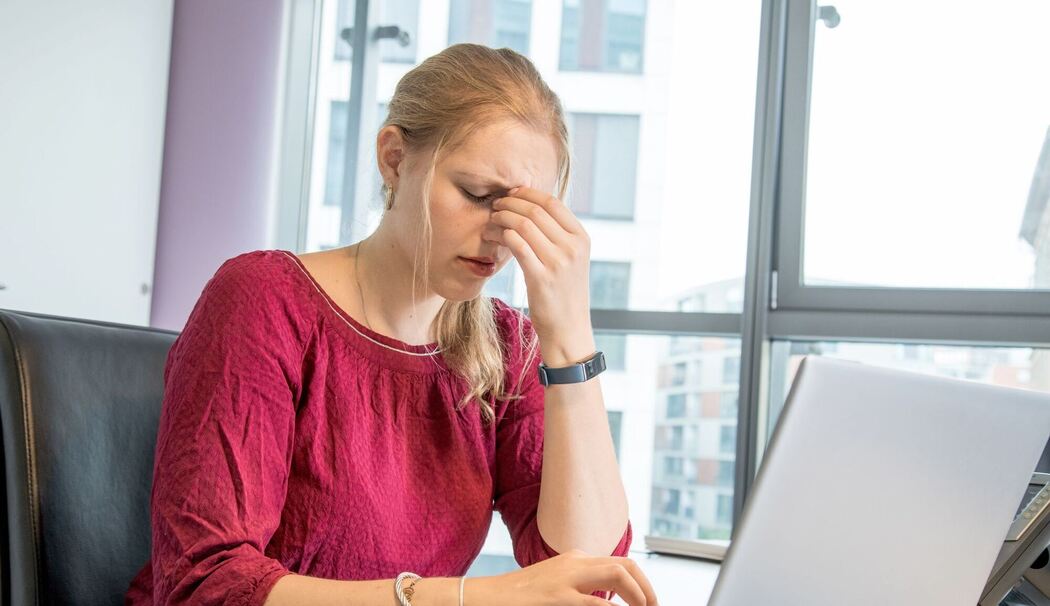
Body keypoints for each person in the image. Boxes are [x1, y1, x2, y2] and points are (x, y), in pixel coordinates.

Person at [125, 43, 658, 606]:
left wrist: (569, 333)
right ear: (395, 158)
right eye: (478, 195)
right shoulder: (263, 301)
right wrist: (464, 598)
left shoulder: (506, 348)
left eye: (528, 214)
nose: (502, 236)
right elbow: (204, 587)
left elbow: (591, 576)